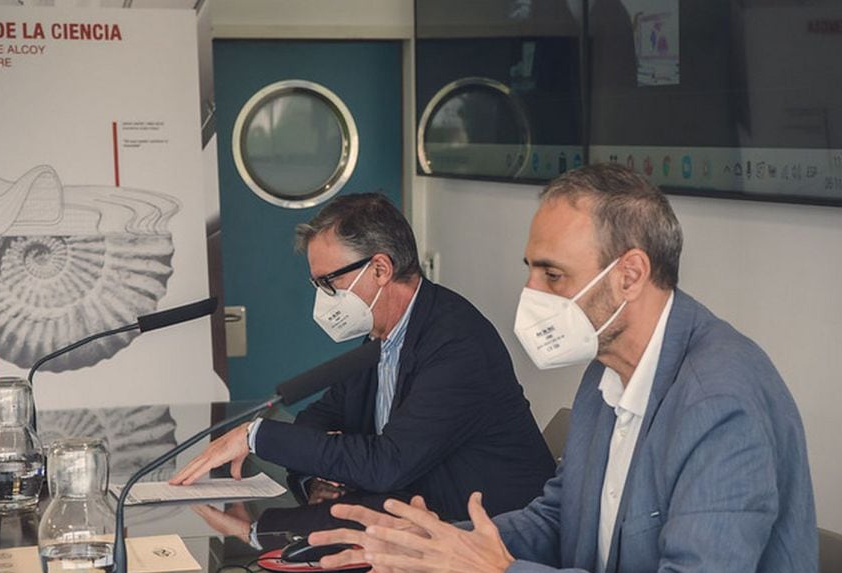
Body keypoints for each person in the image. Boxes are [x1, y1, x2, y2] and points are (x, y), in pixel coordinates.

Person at [311, 166, 827, 573]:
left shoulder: (721, 400)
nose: (531, 294)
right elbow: (560, 518)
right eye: (530, 271)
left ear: (630, 274)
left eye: (553, 275)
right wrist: (437, 547)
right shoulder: (605, 371)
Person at [171, 192, 556, 541]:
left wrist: (256, 438)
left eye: (329, 282)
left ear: (380, 270)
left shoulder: (456, 343)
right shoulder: (380, 337)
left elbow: (386, 464)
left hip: (496, 541)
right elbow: (317, 419)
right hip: (413, 532)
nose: (323, 299)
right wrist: (320, 471)